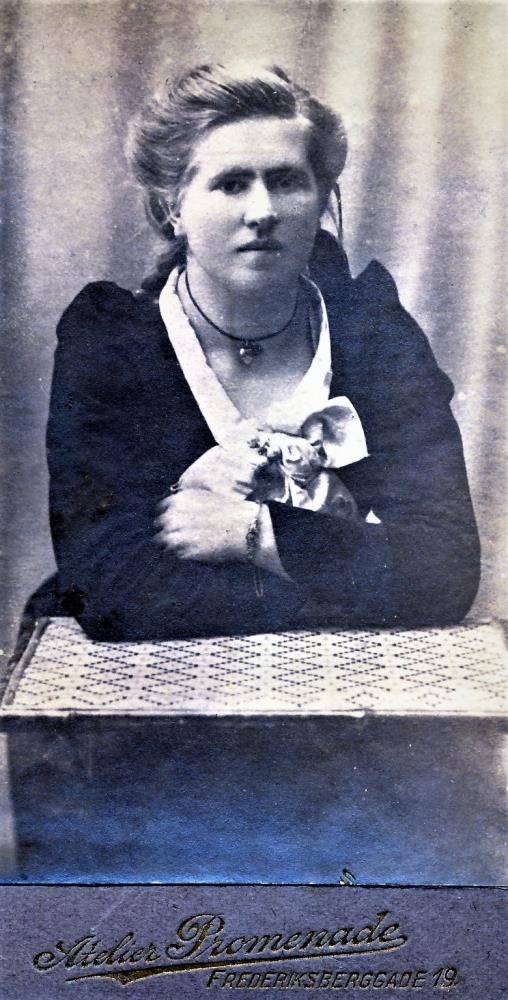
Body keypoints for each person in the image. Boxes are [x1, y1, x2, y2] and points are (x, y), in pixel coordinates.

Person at [43, 63, 479, 642]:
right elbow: (111, 591)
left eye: (287, 181)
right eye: (231, 184)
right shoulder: (111, 344)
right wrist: (356, 574)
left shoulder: (374, 332)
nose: (263, 211)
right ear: (173, 207)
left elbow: (446, 571)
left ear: (321, 200)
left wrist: (255, 534)